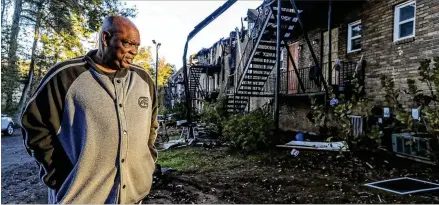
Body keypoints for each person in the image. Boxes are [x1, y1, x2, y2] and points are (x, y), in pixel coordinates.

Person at [21, 15, 159, 204]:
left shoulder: (143, 80)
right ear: (105, 38)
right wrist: (58, 175)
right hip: (80, 198)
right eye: (128, 44)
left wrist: (148, 163)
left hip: (133, 198)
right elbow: (34, 125)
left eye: (137, 46)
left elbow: (151, 126)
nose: (134, 51)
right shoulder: (65, 77)